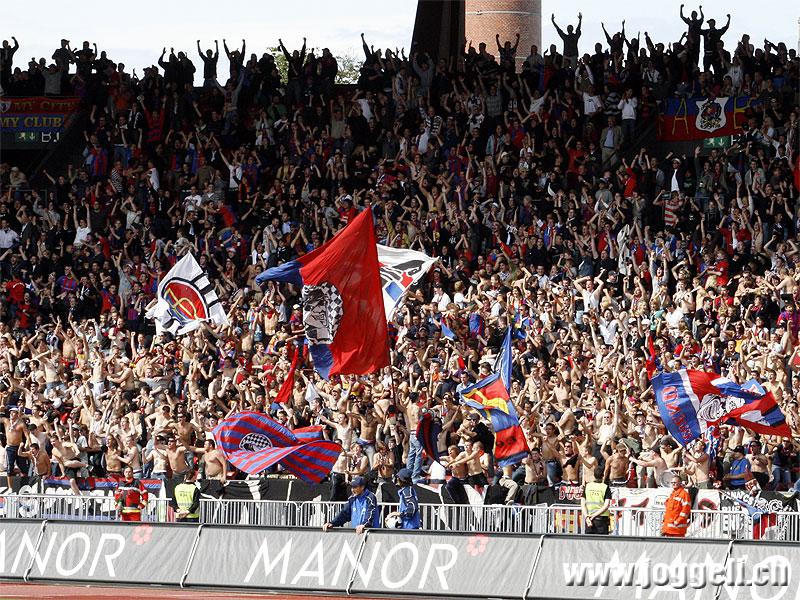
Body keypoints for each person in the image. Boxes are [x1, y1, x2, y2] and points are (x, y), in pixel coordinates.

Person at [582, 466, 612, 534]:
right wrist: (594, 516)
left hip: (589, 520)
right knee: (602, 540)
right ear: (603, 475)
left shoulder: (587, 486)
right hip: (602, 520)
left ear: (594, 475)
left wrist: (587, 517)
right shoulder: (605, 487)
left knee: (589, 540)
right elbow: (606, 505)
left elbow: (583, 504)